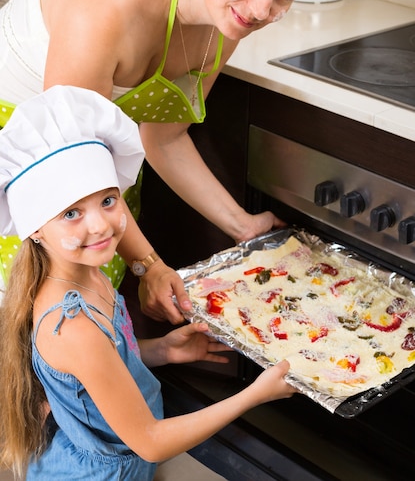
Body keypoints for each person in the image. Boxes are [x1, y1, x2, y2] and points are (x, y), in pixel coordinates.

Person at [0, 0, 367, 325]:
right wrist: (148, 264)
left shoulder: (225, 19)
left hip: (94, 178)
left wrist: (241, 225)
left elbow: (164, 138)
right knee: (37, 328)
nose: (261, 10)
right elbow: (72, 174)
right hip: (31, 167)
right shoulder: (104, 10)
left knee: (93, 325)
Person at [0, 85, 296, 480]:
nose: (100, 224)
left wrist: (159, 352)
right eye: (72, 212)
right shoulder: (71, 324)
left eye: (108, 200)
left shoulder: (88, 274)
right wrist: (254, 395)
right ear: (35, 229)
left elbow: (92, 372)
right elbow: (150, 440)